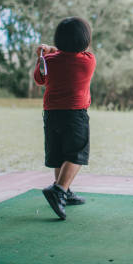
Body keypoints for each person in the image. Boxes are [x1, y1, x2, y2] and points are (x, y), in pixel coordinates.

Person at [33, 17, 96, 220]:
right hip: (75, 114)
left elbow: (39, 79)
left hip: (51, 114)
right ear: (84, 41)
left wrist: (43, 55)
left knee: (60, 153)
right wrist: (52, 50)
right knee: (76, 154)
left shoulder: (50, 61)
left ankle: (65, 192)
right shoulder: (88, 61)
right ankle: (59, 189)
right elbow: (70, 54)